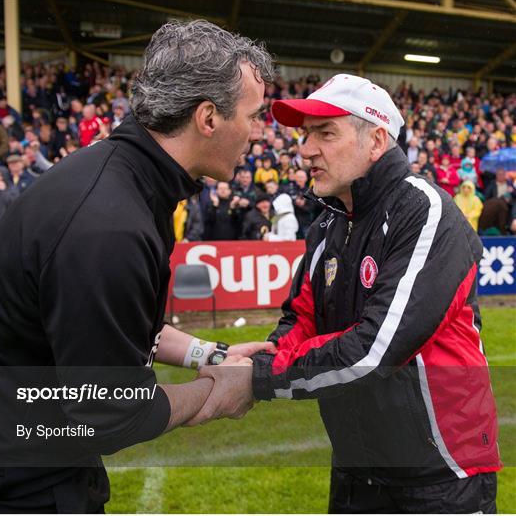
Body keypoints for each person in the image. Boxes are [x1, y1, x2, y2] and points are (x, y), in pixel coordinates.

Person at [0, 20, 274, 512]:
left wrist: (210, 356)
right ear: (208, 118)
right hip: (17, 481)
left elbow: (112, 325)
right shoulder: (109, 225)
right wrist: (216, 392)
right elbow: (110, 412)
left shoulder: (120, 177)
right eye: (253, 115)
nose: (257, 132)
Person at [202, 74, 501, 513]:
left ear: (376, 140)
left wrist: (260, 377)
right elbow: (302, 317)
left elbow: (375, 349)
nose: (305, 150)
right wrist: (268, 350)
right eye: (305, 135)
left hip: (440, 474)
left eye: (325, 133)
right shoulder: (327, 221)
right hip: (356, 467)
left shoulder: (424, 210)